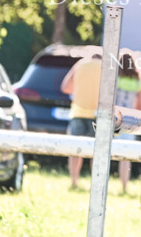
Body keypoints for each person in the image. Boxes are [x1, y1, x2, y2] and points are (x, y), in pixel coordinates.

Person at [60, 48, 102, 190]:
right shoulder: (105, 68)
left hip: (77, 111)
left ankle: (74, 181)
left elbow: (65, 87)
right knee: (96, 152)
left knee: (75, 150)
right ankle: (95, 184)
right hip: (98, 114)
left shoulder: (80, 65)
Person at [114, 50, 141, 194]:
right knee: (125, 157)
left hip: (114, 118)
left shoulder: (115, 79)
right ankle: (124, 186)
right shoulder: (137, 81)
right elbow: (138, 104)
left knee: (107, 152)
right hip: (129, 119)